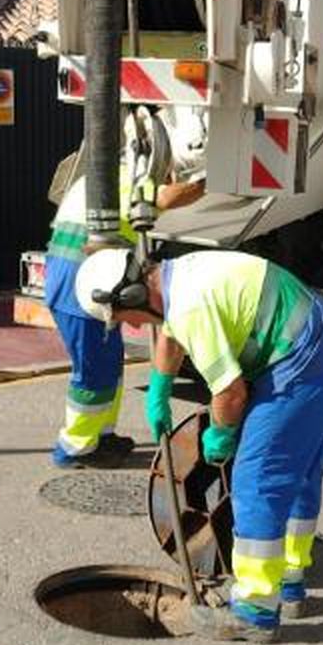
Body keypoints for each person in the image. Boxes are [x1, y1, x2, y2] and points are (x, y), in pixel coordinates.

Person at [73, 247, 323, 642]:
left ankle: (255, 609)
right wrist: (160, 388)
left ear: (134, 297)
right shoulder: (177, 277)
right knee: (300, 475)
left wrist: (221, 436)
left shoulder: (189, 304)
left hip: (301, 365)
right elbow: (170, 331)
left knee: (257, 480)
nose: (132, 327)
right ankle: (289, 584)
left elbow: (231, 394)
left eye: (122, 318)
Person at [43, 165, 202, 468]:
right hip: (84, 288)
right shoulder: (127, 181)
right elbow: (170, 197)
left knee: (108, 364)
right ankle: (74, 447)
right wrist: (210, 181)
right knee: (94, 374)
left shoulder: (103, 176)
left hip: (81, 280)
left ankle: (101, 436)